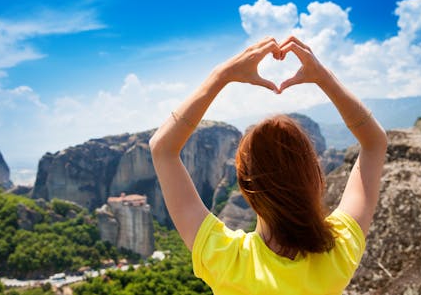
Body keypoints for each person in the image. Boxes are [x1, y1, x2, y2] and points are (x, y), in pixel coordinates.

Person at [149, 35, 387, 294]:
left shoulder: (229, 262)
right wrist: (323, 77)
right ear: (316, 177)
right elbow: (374, 143)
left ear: (244, 184)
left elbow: (162, 149)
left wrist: (222, 75)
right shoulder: (338, 252)